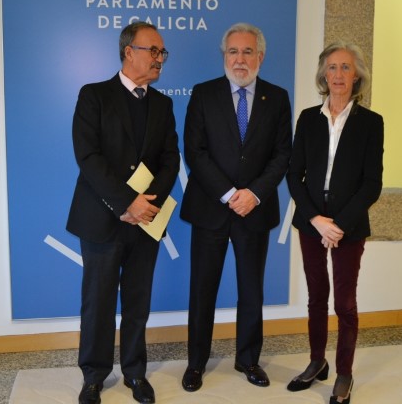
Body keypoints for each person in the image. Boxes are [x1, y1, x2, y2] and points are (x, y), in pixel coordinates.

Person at [66, 21, 180, 404]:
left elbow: (171, 159)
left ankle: (135, 373)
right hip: (101, 218)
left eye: (162, 52)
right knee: (97, 302)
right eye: (153, 50)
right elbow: (88, 156)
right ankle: (94, 376)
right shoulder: (94, 95)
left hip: (145, 221)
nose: (159, 58)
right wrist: (125, 202)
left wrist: (147, 204)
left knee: (137, 302)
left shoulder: (163, 104)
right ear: (128, 51)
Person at [180, 23, 292, 392]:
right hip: (212, 207)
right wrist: (229, 194)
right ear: (224, 55)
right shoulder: (203, 93)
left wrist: (253, 194)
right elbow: (194, 151)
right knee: (203, 289)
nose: (240, 60)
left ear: (260, 56)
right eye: (233, 52)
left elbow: (282, 155)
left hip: (255, 210)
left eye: (247, 52)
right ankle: (196, 363)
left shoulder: (277, 98)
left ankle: (248, 359)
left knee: (251, 290)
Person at [286, 42, 384, 403]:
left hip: (349, 224)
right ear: (323, 75)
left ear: (356, 75)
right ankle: (316, 363)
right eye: (332, 68)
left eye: (345, 68)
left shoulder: (371, 123)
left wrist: (338, 224)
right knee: (316, 298)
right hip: (311, 220)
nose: (338, 75)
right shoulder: (308, 119)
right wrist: (316, 219)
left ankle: (344, 373)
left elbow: (372, 183)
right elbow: (294, 175)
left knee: (344, 302)